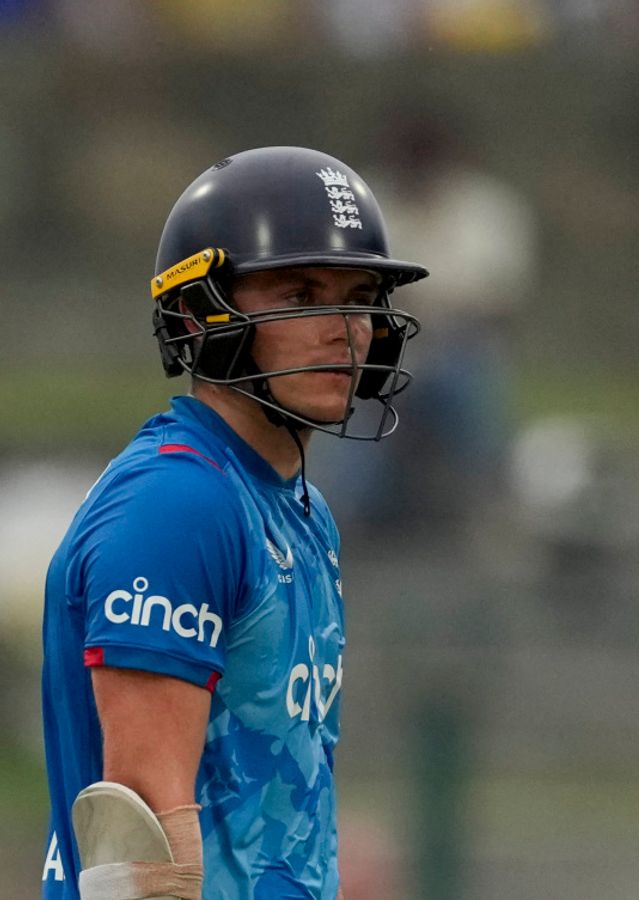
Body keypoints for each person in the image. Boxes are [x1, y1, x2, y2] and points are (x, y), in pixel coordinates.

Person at [38, 146, 426, 899]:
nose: (341, 327)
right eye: (299, 293)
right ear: (198, 312)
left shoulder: (304, 512)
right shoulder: (179, 504)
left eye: (359, 296)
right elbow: (144, 854)